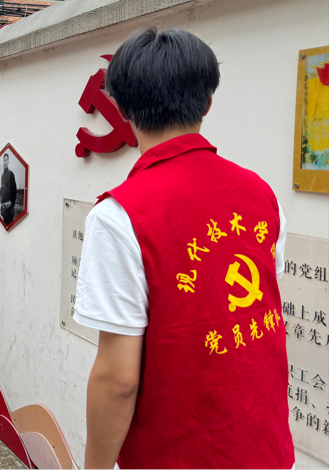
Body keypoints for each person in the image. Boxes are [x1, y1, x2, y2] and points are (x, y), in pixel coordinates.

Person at [76, 28, 294, 470]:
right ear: (208, 102)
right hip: (267, 450)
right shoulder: (262, 195)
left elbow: (118, 380)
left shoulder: (120, 216)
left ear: (122, 109)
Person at [0, 153, 17, 226]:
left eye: (6, 160)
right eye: (4, 160)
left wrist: (11, 203)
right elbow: (2, 188)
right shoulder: (2, 176)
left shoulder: (11, 174)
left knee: (10, 226)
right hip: (3, 207)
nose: (5, 162)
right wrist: (0, 196)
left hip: (9, 208)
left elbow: (14, 190)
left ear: (8, 161)